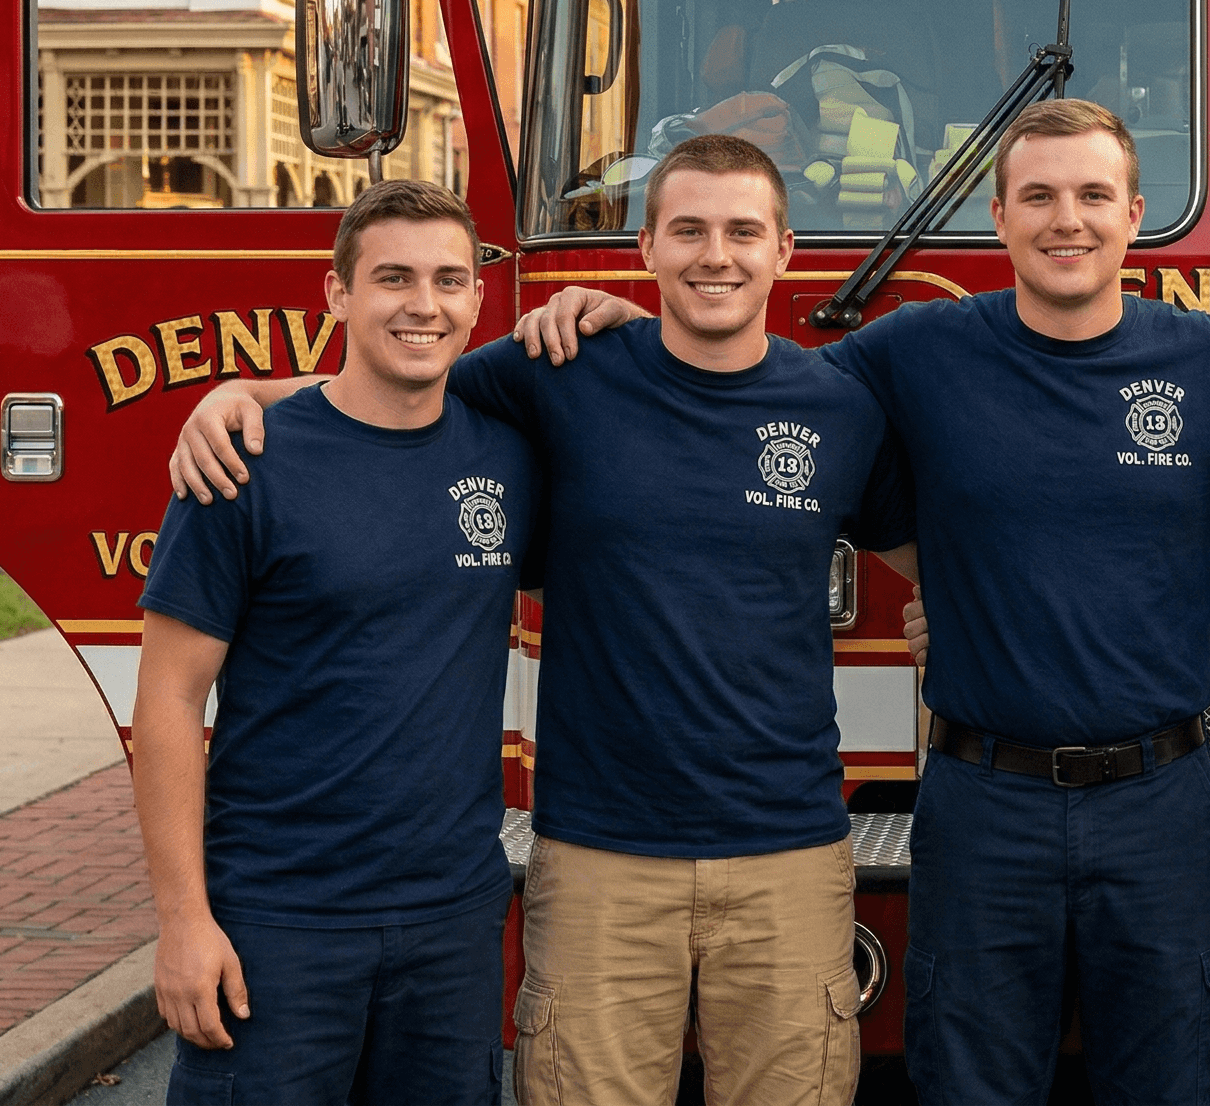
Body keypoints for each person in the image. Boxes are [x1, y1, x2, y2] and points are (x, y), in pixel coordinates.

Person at [518, 100, 1210, 1106]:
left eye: (1094, 195)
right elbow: (751, 385)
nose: (1069, 219)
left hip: (1157, 800)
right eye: (1040, 197)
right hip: (978, 795)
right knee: (970, 1076)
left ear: (1135, 215)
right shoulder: (908, 353)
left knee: (1166, 1073)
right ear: (998, 218)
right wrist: (620, 329)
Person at [167, 137, 913, 1106]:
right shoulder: (559, 371)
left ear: (786, 251)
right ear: (644, 248)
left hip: (789, 856)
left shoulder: (841, 408)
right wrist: (243, 396)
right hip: (599, 856)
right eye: (687, 230)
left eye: (740, 232)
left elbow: (935, 563)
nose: (714, 256)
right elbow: (390, 394)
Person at [134, 180, 537, 1103]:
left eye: (447, 279)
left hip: (453, 920)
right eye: (392, 277)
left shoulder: (507, 453)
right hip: (278, 922)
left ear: (479, 297)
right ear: (337, 294)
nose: (423, 305)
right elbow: (167, 702)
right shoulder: (245, 461)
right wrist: (183, 920)